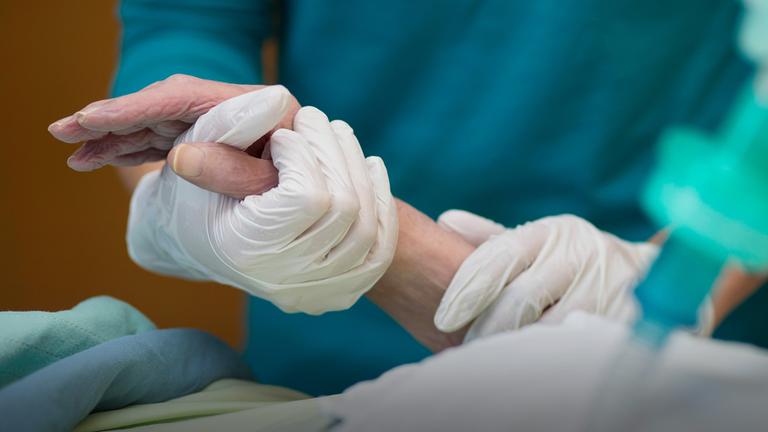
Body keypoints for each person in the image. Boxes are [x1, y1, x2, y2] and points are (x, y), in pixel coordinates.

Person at [50, 0, 768, 396]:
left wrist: (678, 281)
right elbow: (187, 23)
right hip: (323, 360)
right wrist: (189, 193)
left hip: (683, 349)